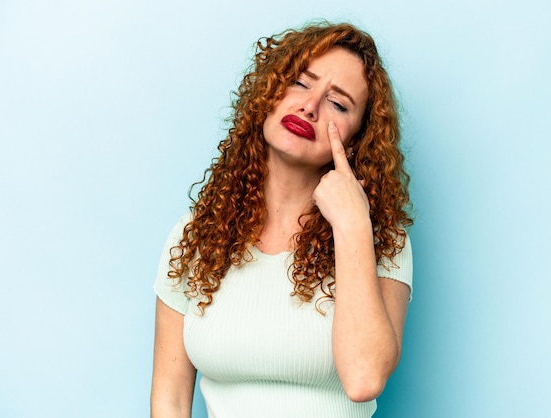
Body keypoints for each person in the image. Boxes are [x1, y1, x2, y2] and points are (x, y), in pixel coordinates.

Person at [151, 21, 414, 418]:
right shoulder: (196, 236)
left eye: (338, 104)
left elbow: (364, 379)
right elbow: (169, 401)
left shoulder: (382, 239)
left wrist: (353, 225)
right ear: (269, 93)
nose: (309, 106)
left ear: (358, 138)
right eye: (300, 83)